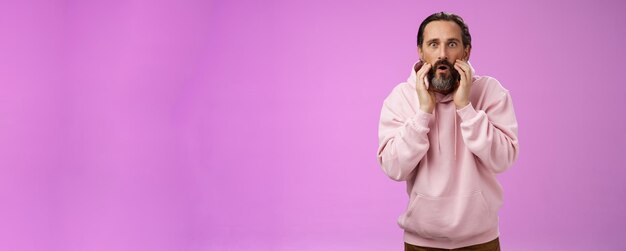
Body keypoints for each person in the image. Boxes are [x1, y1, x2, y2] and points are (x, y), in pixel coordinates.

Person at [376, 12, 519, 250]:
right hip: (421, 241)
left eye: (451, 44)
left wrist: (466, 108)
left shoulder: (491, 91)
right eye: (433, 44)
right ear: (421, 51)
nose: (442, 54)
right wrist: (423, 112)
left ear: (466, 52)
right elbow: (394, 168)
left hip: (480, 240)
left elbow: (503, 160)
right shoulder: (400, 97)